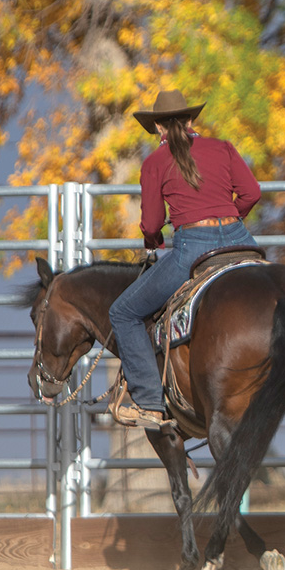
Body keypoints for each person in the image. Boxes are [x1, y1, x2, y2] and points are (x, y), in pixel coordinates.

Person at [108, 89, 262, 431]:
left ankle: (149, 402)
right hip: (241, 240)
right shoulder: (222, 148)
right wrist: (229, 217)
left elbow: (150, 223)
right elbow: (252, 193)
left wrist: (154, 240)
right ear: (191, 121)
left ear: (159, 128)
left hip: (194, 247)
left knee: (123, 313)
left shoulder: (154, 163)